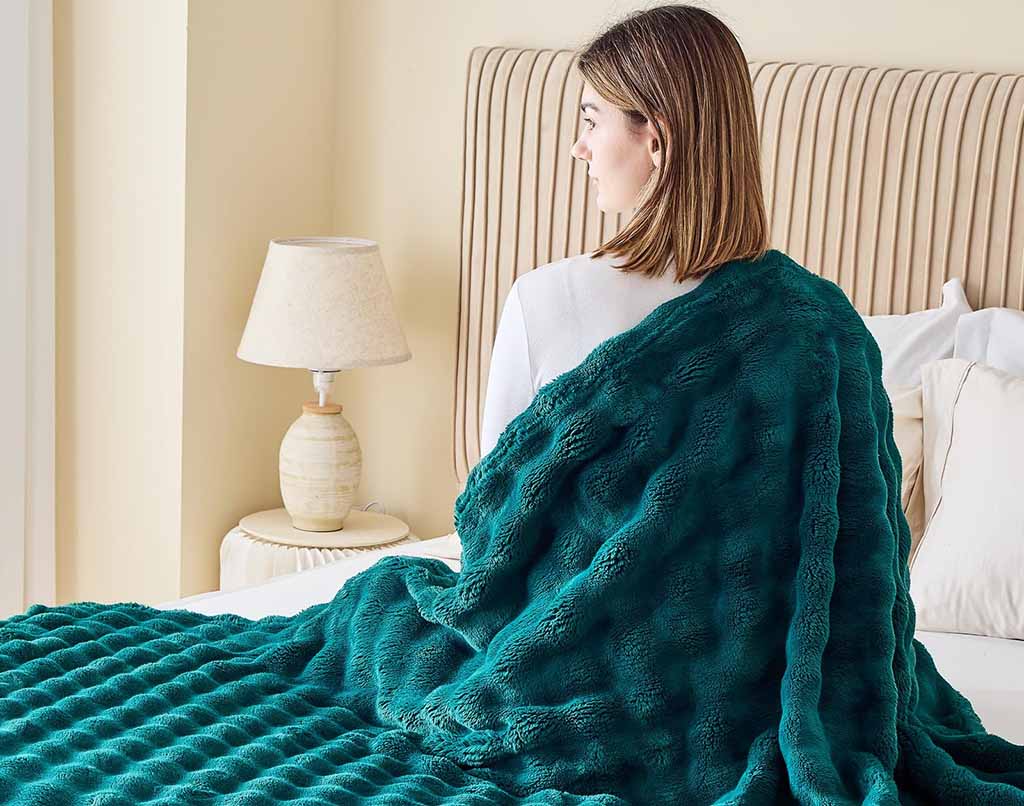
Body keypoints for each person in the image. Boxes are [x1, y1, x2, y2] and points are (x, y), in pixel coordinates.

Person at [480, 3, 769, 458]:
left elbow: (492, 513)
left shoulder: (543, 301)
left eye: (592, 121)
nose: (580, 147)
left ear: (656, 139)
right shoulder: (814, 323)